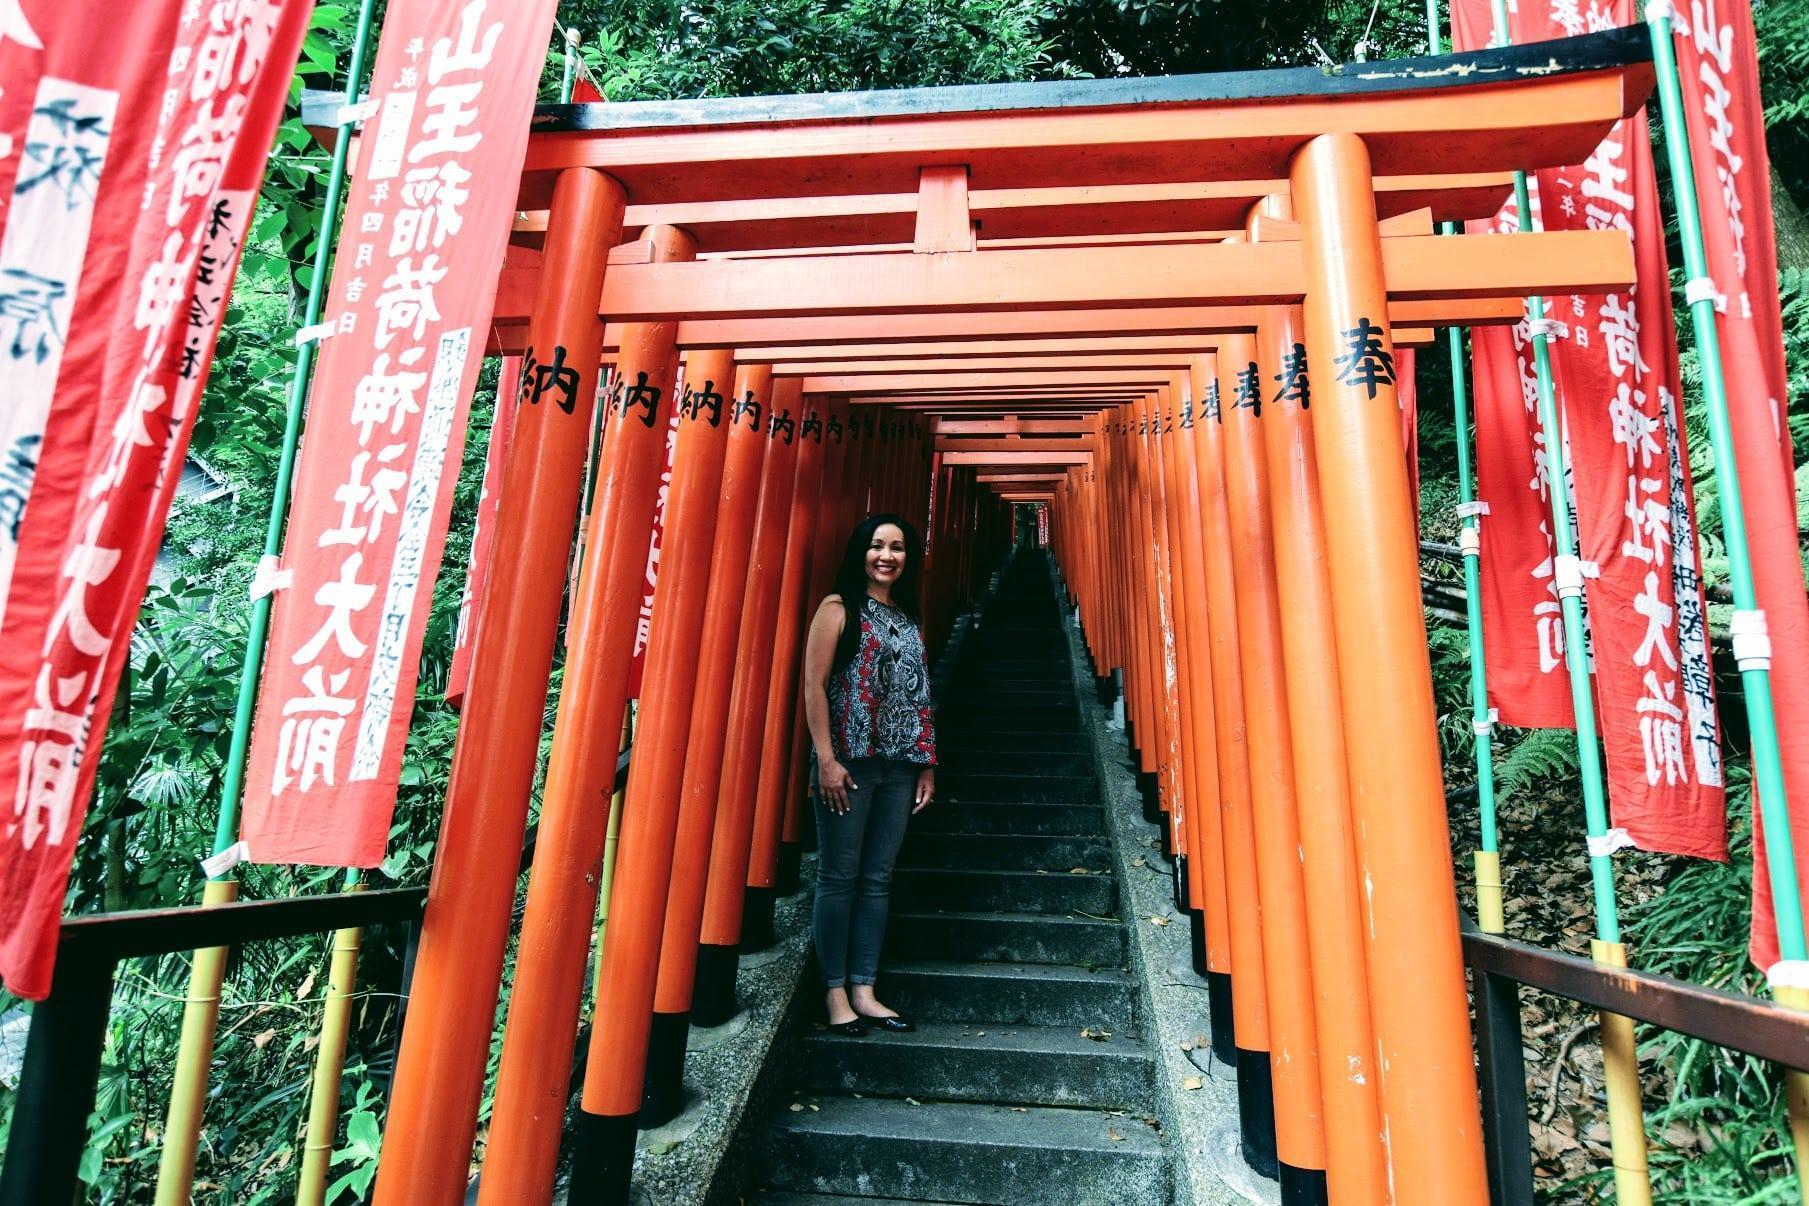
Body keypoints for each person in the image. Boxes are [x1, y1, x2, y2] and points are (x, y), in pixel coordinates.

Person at [800, 512, 937, 1036]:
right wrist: (826, 759)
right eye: (878, 545)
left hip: (899, 766)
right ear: (861, 551)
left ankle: (865, 988)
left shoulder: (906, 617)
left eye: (898, 547)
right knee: (839, 876)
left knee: (878, 878)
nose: (887, 556)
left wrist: (926, 765)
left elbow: (918, 695)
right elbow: (814, 686)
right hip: (850, 764)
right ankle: (835, 994)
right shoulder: (838, 609)